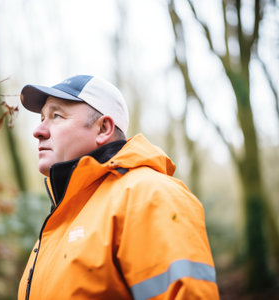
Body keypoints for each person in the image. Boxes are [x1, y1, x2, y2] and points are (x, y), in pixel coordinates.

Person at [18, 75, 219, 300]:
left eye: (56, 116)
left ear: (103, 128)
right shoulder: (60, 221)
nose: (38, 131)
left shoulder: (149, 195)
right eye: (42, 117)